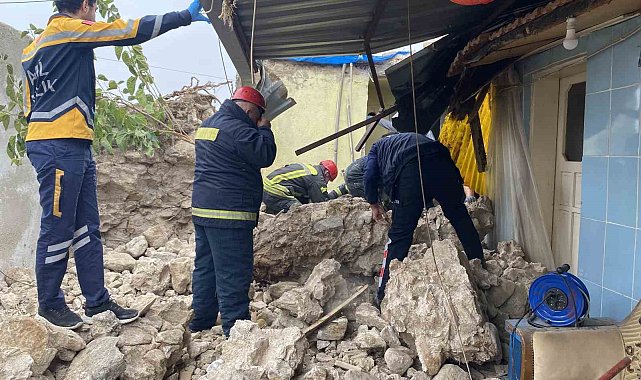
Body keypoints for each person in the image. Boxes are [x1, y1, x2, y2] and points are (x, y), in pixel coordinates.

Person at [22, 0, 209, 329]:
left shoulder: (31, 50)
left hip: (67, 142)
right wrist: (183, 17)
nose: (94, 15)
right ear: (84, 5)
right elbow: (127, 31)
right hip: (60, 145)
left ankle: (97, 302)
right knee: (57, 227)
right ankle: (49, 304)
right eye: (93, 8)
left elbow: (30, 105)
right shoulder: (70, 32)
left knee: (86, 228)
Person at [190, 86, 276, 336]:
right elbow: (265, 155)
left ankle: (201, 320)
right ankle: (235, 329)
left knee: (205, 268)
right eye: (256, 117)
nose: (255, 122)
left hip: (204, 209)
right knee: (233, 272)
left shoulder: (209, 123)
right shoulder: (238, 129)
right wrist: (265, 129)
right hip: (229, 213)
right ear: (250, 111)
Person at [364, 133, 484, 304]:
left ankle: (382, 294)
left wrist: (373, 204)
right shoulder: (411, 138)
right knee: (460, 216)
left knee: (399, 235)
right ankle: (478, 263)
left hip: (411, 168)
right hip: (442, 161)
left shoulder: (376, 148)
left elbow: (369, 175)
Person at [263, 160, 338, 214]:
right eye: (329, 180)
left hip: (266, 188)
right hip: (274, 191)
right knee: (300, 212)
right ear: (327, 173)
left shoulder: (310, 169)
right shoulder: (317, 179)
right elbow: (321, 204)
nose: (326, 183)